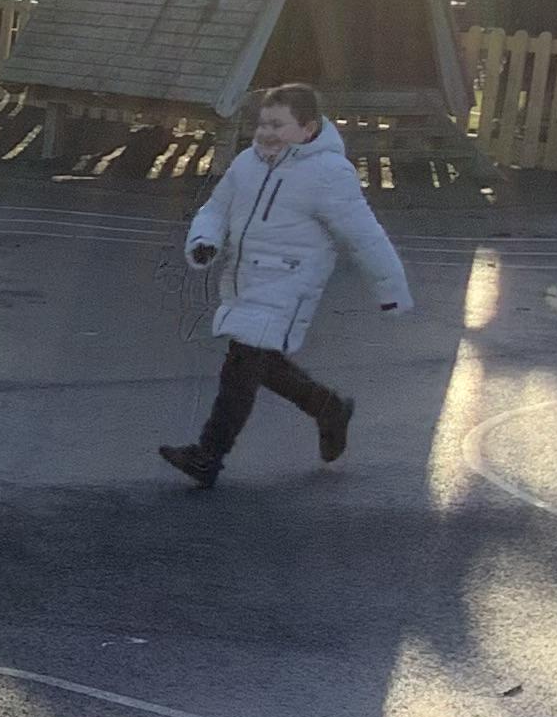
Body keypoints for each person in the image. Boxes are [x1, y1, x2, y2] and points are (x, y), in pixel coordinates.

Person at [159, 83, 410, 489]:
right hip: (244, 279)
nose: (266, 132)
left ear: (308, 129)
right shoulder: (248, 163)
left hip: (290, 284)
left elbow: (365, 237)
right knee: (261, 364)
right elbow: (216, 209)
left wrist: (391, 290)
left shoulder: (329, 174)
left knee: (241, 365)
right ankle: (329, 409)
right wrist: (205, 241)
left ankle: (208, 456)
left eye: (278, 125)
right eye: (262, 124)